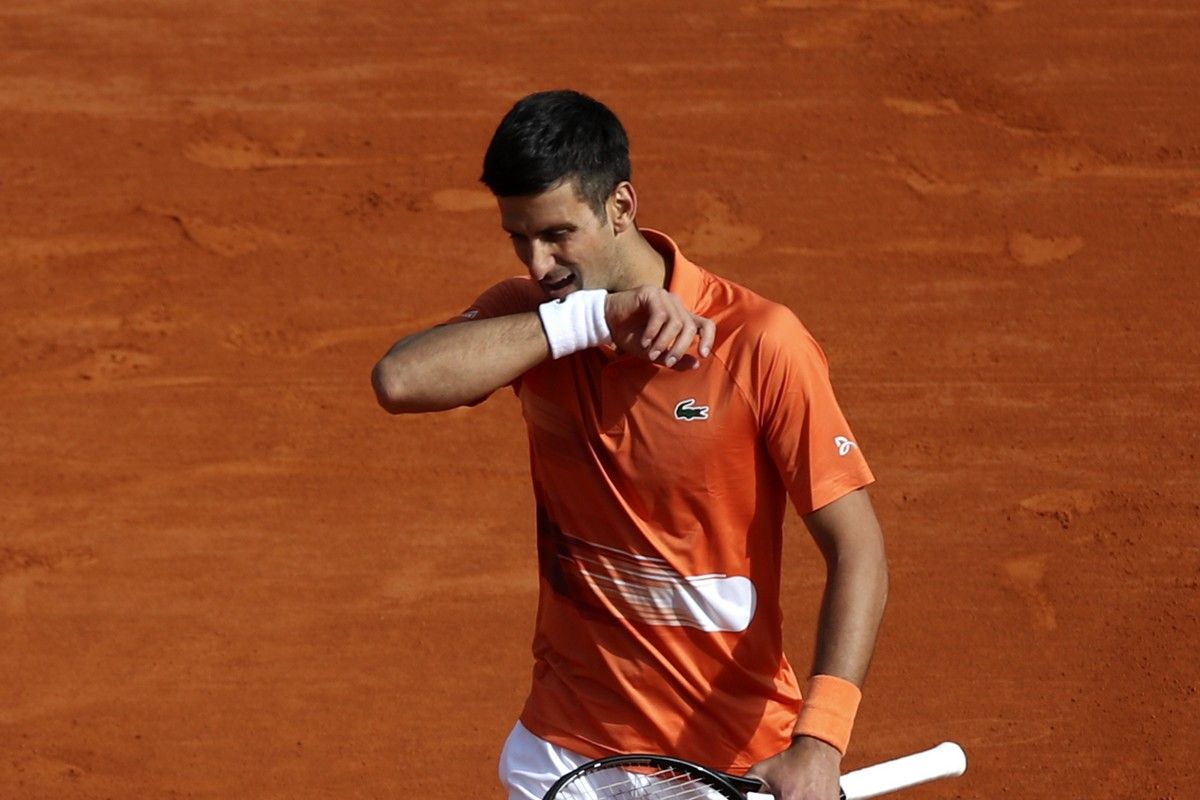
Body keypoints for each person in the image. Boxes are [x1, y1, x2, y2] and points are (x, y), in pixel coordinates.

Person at [371, 89, 888, 800]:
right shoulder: (540, 322)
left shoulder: (761, 343)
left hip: (726, 757)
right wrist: (591, 318)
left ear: (621, 207)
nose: (538, 263)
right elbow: (400, 379)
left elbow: (857, 547)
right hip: (565, 753)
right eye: (518, 238)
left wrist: (821, 740)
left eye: (557, 234)